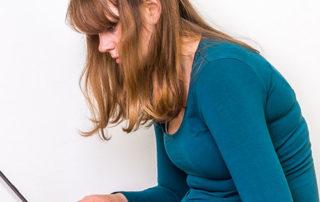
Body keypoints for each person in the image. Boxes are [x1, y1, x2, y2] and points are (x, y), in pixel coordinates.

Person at [65, 0, 319, 201]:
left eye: (110, 27)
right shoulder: (162, 81)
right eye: (96, 34)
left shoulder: (223, 73)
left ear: (152, 10)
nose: (102, 46)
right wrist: (118, 200)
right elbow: (174, 192)